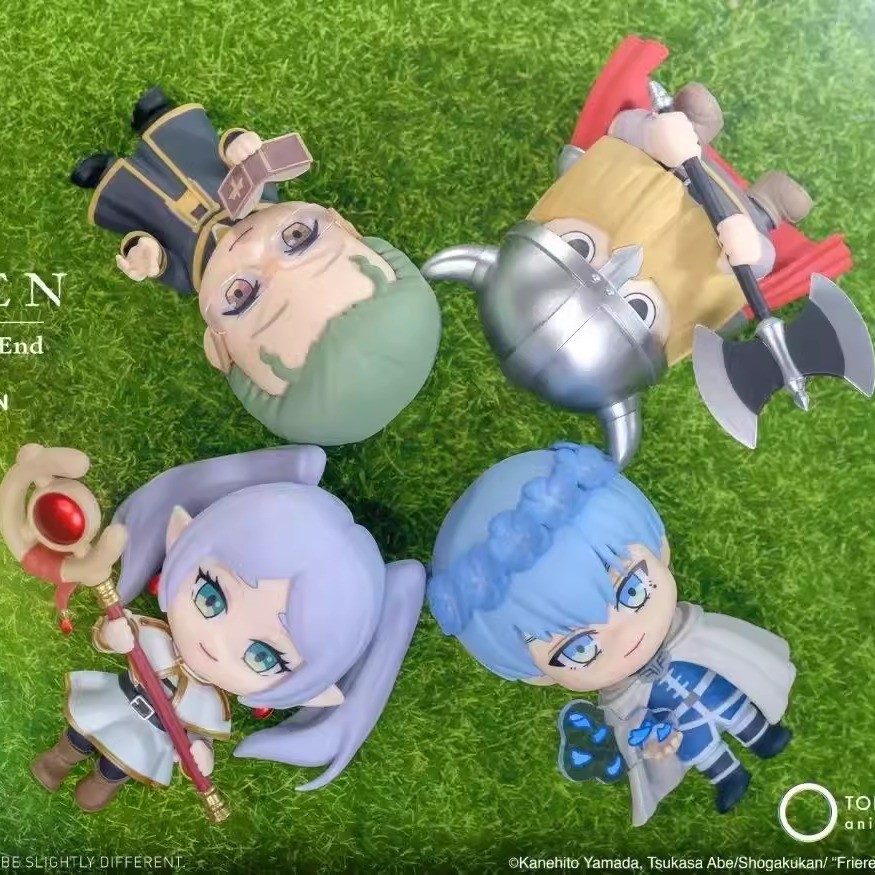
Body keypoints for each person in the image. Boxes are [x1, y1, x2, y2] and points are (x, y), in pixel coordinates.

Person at [13, 444, 424, 812]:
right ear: (181, 537)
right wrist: (114, 635)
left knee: (117, 766)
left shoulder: (212, 703)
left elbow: (201, 734)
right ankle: (59, 760)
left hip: (146, 738)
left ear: (312, 691)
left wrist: (200, 751)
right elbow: (114, 636)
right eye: (211, 596)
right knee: (80, 735)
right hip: (116, 702)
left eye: (262, 656)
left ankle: (101, 785)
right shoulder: (156, 639)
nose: (217, 641)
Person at [426, 442, 796, 826]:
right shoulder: (623, 702)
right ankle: (726, 773)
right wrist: (654, 744)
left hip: (708, 683)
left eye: (633, 592)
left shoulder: (692, 633)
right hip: (674, 720)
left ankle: (761, 734)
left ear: (659, 547)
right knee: (695, 741)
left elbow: (730, 654)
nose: (624, 636)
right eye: (580, 649)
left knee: (727, 700)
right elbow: (634, 732)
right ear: (536, 675)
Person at [71, 88, 441, 446]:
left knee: (133, 198)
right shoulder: (262, 191)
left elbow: (158, 258)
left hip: (156, 211)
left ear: (218, 350)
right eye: (298, 237)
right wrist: (240, 147)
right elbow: (234, 151)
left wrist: (145, 252)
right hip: (200, 167)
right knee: (180, 141)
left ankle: (107, 175)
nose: (249, 246)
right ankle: (156, 117)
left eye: (241, 295)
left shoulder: (189, 271)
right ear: (345, 226)